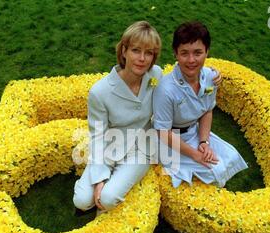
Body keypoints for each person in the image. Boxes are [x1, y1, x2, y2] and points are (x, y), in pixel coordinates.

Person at [73, 21, 222, 215]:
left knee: (108, 199)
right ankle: (102, 181)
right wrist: (99, 179)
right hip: (110, 145)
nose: (142, 59)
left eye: (149, 53)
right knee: (82, 201)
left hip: (142, 148)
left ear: (154, 56)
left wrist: (212, 74)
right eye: (136, 50)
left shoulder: (156, 75)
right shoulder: (99, 92)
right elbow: (98, 136)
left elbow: (183, 74)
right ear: (124, 50)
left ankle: (113, 187)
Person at [152, 21, 248, 188]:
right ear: (175, 53)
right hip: (170, 140)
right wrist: (195, 155)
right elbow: (163, 133)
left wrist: (204, 143)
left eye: (198, 53)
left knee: (231, 156)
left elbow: (207, 111)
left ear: (207, 52)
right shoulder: (165, 90)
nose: (191, 60)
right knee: (213, 168)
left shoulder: (211, 77)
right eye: (184, 53)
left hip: (195, 133)